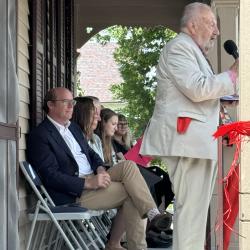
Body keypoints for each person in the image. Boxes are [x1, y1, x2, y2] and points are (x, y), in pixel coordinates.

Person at [140, 2, 239, 250]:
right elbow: (198, 89)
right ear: (193, 24)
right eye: (211, 24)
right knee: (192, 211)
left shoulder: (190, 50)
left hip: (193, 141)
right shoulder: (179, 48)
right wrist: (233, 74)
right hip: (187, 141)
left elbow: (198, 92)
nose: (216, 32)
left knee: (194, 211)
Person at [27, 87, 171, 250]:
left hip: (94, 178)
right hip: (75, 193)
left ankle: (151, 215)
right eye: (65, 102)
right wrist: (88, 183)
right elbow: (50, 176)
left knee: (128, 166)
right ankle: (126, 243)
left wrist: (101, 169)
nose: (70, 106)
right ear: (51, 105)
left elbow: (91, 154)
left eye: (72, 102)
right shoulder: (41, 135)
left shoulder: (73, 128)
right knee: (133, 194)